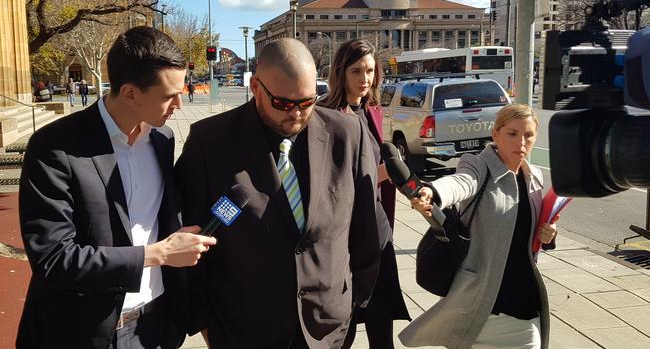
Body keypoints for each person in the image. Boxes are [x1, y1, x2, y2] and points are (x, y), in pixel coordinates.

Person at [17, 26, 216, 349]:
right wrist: (158, 254)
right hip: (83, 332)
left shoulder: (161, 139)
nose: (180, 104)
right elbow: (53, 259)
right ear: (130, 93)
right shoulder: (55, 147)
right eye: (169, 96)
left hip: (156, 327)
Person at [175, 38, 381, 349]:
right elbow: (190, 240)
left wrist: (355, 302)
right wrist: (205, 322)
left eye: (308, 102)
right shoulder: (210, 141)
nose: (296, 114)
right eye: (284, 104)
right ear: (256, 86)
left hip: (329, 328)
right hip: (244, 330)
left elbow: (368, 224)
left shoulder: (347, 133)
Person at [399, 104, 559, 349]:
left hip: (524, 305)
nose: (522, 142)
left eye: (528, 135)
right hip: (481, 307)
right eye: (512, 134)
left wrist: (548, 235)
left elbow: (533, 233)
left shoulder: (534, 177)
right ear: (496, 135)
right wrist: (432, 191)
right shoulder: (478, 167)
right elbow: (460, 183)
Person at [318, 39, 410, 348]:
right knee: (342, 326)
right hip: (345, 235)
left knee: (381, 320)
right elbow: (327, 179)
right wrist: (378, 174)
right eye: (357, 70)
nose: (364, 79)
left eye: (370, 70)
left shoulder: (371, 111)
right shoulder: (325, 114)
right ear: (341, 72)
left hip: (376, 227)